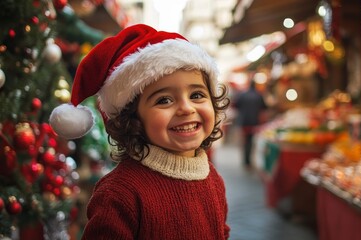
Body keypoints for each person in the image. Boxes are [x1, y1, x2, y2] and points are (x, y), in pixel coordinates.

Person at [49, 24, 230, 240]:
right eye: (164, 100)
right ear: (133, 118)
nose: (187, 108)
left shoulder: (212, 177)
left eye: (197, 95)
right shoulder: (120, 193)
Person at [234, 79, 267, 169]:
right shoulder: (259, 95)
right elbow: (264, 108)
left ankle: (246, 161)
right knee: (251, 142)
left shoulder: (242, 94)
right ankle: (248, 161)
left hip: (244, 121)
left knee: (245, 141)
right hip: (254, 122)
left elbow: (236, 105)